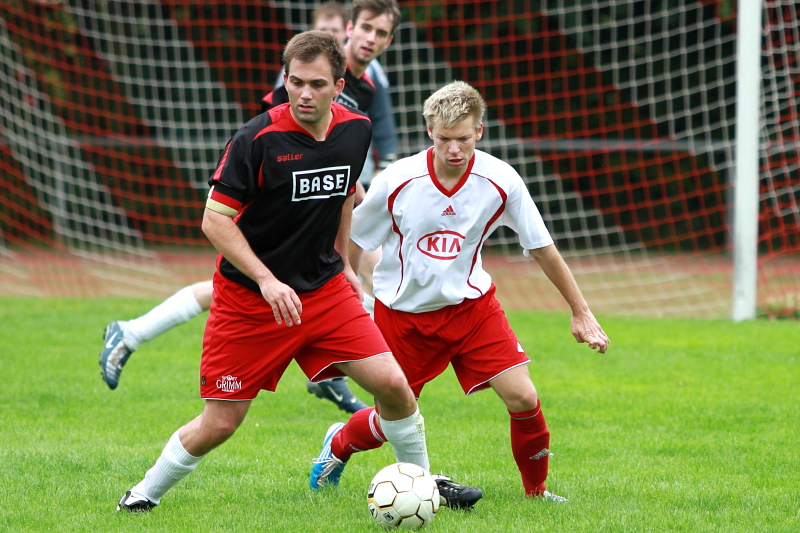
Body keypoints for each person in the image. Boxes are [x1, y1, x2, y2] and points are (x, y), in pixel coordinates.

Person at [115, 31, 430, 512]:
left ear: (338, 86)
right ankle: (142, 496)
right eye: (295, 82)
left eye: (317, 84)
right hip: (249, 301)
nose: (304, 94)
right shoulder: (256, 139)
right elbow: (214, 221)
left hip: (324, 290)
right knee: (221, 423)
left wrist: (344, 261)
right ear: (285, 79)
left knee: (393, 386)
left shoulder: (356, 130)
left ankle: (422, 485)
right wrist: (266, 279)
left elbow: (345, 196)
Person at [309, 81, 610, 502]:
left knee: (523, 396)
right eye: (444, 139)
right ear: (429, 132)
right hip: (403, 316)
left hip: (472, 310)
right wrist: (349, 290)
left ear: (479, 131)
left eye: (464, 139)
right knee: (392, 419)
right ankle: (338, 444)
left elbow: (542, 247)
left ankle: (537, 493)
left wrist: (581, 311)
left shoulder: (501, 180)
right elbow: (354, 239)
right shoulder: (397, 180)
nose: (454, 149)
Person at [97, 0, 400, 413]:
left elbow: (369, 146)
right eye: (366, 28)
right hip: (274, 197)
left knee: (331, 277)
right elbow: (279, 133)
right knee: (252, 280)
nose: (371, 39)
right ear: (350, 28)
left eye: (381, 33)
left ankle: (334, 368)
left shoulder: (369, 83)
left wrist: (355, 188)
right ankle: (333, 370)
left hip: (319, 200)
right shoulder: (309, 71)